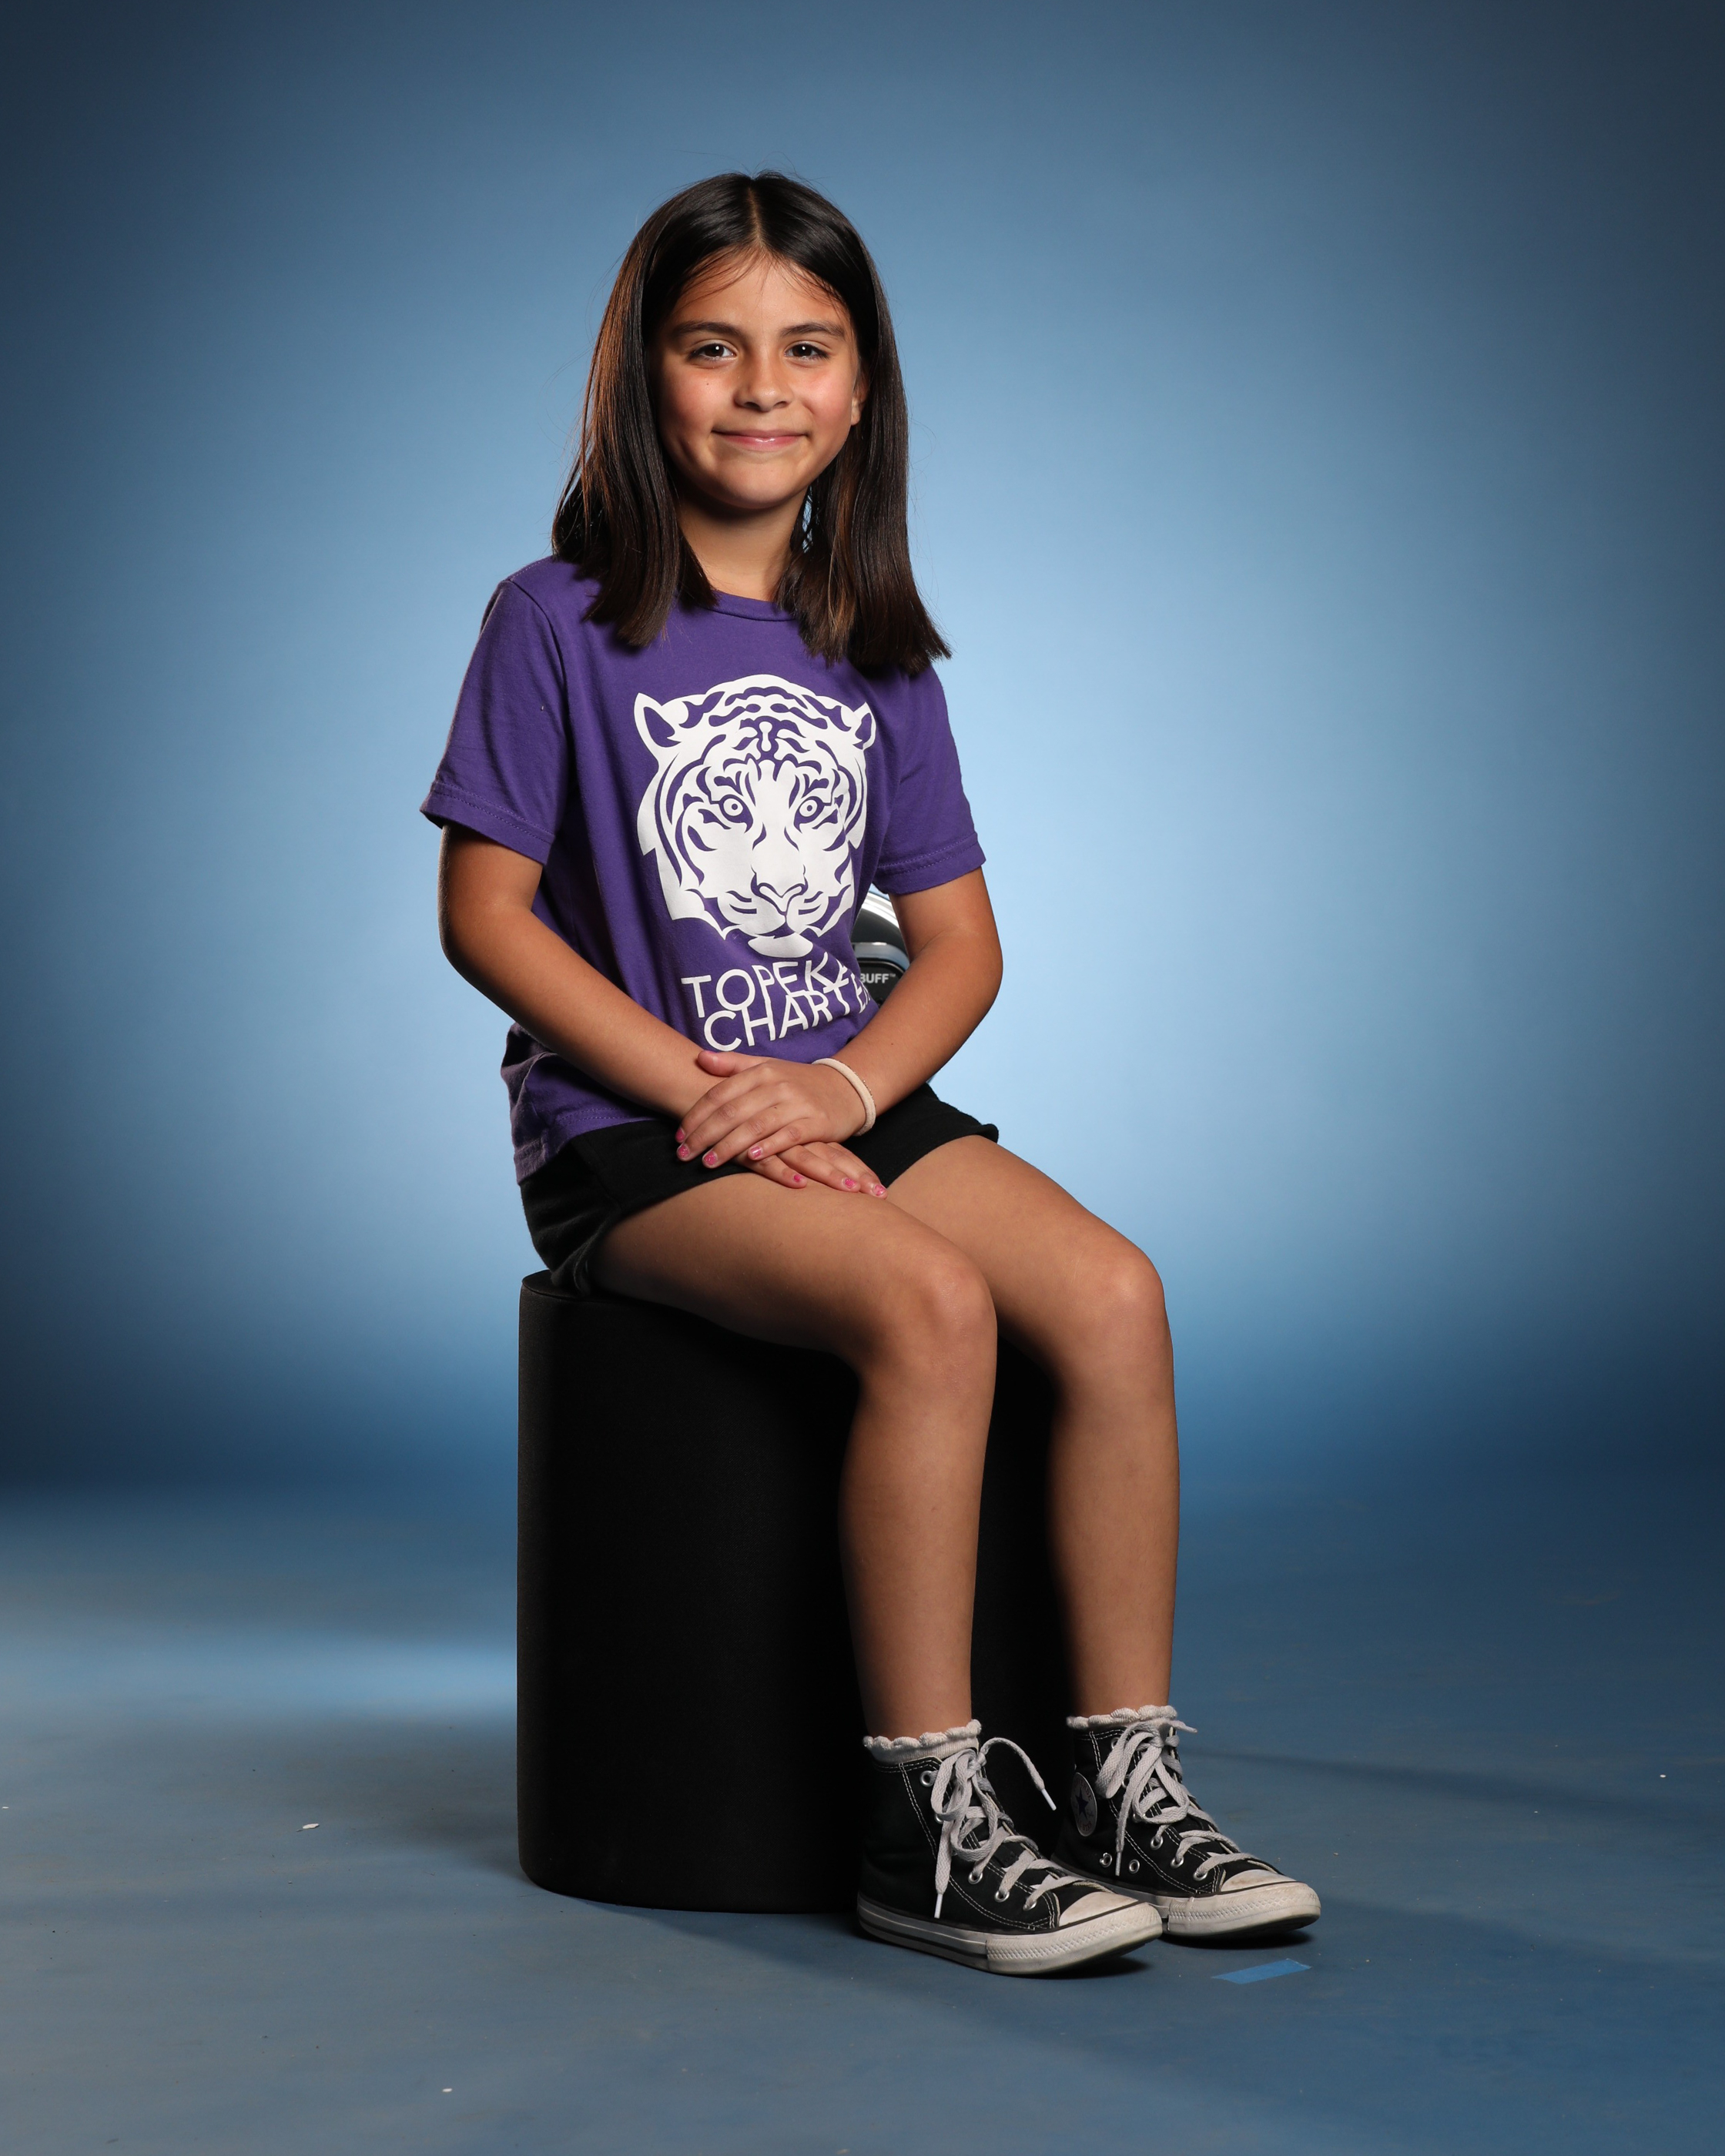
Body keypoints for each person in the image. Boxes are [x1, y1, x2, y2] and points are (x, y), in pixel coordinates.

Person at [424, 171, 1318, 1977]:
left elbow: (961, 947)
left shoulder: (873, 646)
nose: (761, 386)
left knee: (1113, 1292)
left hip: (838, 1083)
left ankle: (1118, 1780)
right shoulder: (553, 618)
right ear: (641, 376)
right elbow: (485, 917)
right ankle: (929, 1817)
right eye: (712, 346)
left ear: (859, 390)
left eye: (806, 348)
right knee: (928, 1302)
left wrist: (835, 1092)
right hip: (631, 1121)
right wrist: (706, 1089)